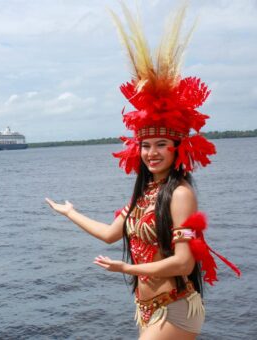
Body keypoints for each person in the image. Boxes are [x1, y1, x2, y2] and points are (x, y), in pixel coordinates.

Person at [46, 3, 240, 339]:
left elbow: (184, 263)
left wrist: (128, 268)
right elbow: (110, 233)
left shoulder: (179, 193)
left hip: (175, 307)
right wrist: (70, 213)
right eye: (146, 146)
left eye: (161, 144)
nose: (152, 153)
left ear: (177, 147)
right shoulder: (146, 192)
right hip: (148, 309)